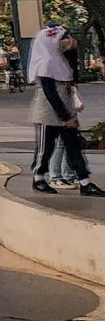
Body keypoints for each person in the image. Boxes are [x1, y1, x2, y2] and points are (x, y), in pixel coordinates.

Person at [28, 25, 104, 197]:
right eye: (64, 38)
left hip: (66, 105)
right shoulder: (45, 62)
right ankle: (38, 178)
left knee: (73, 146)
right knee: (45, 147)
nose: (67, 41)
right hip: (48, 110)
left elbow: (74, 76)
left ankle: (85, 182)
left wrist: (72, 52)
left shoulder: (61, 60)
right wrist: (64, 116)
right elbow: (50, 92)